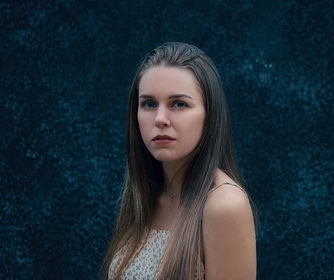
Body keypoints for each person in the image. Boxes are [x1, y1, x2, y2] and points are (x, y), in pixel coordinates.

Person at [101, 42, 258, 280]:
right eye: (149, 104)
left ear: (210, 115)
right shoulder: (146, 193)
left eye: (179, 104)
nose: (160, 119)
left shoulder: (224, 205)